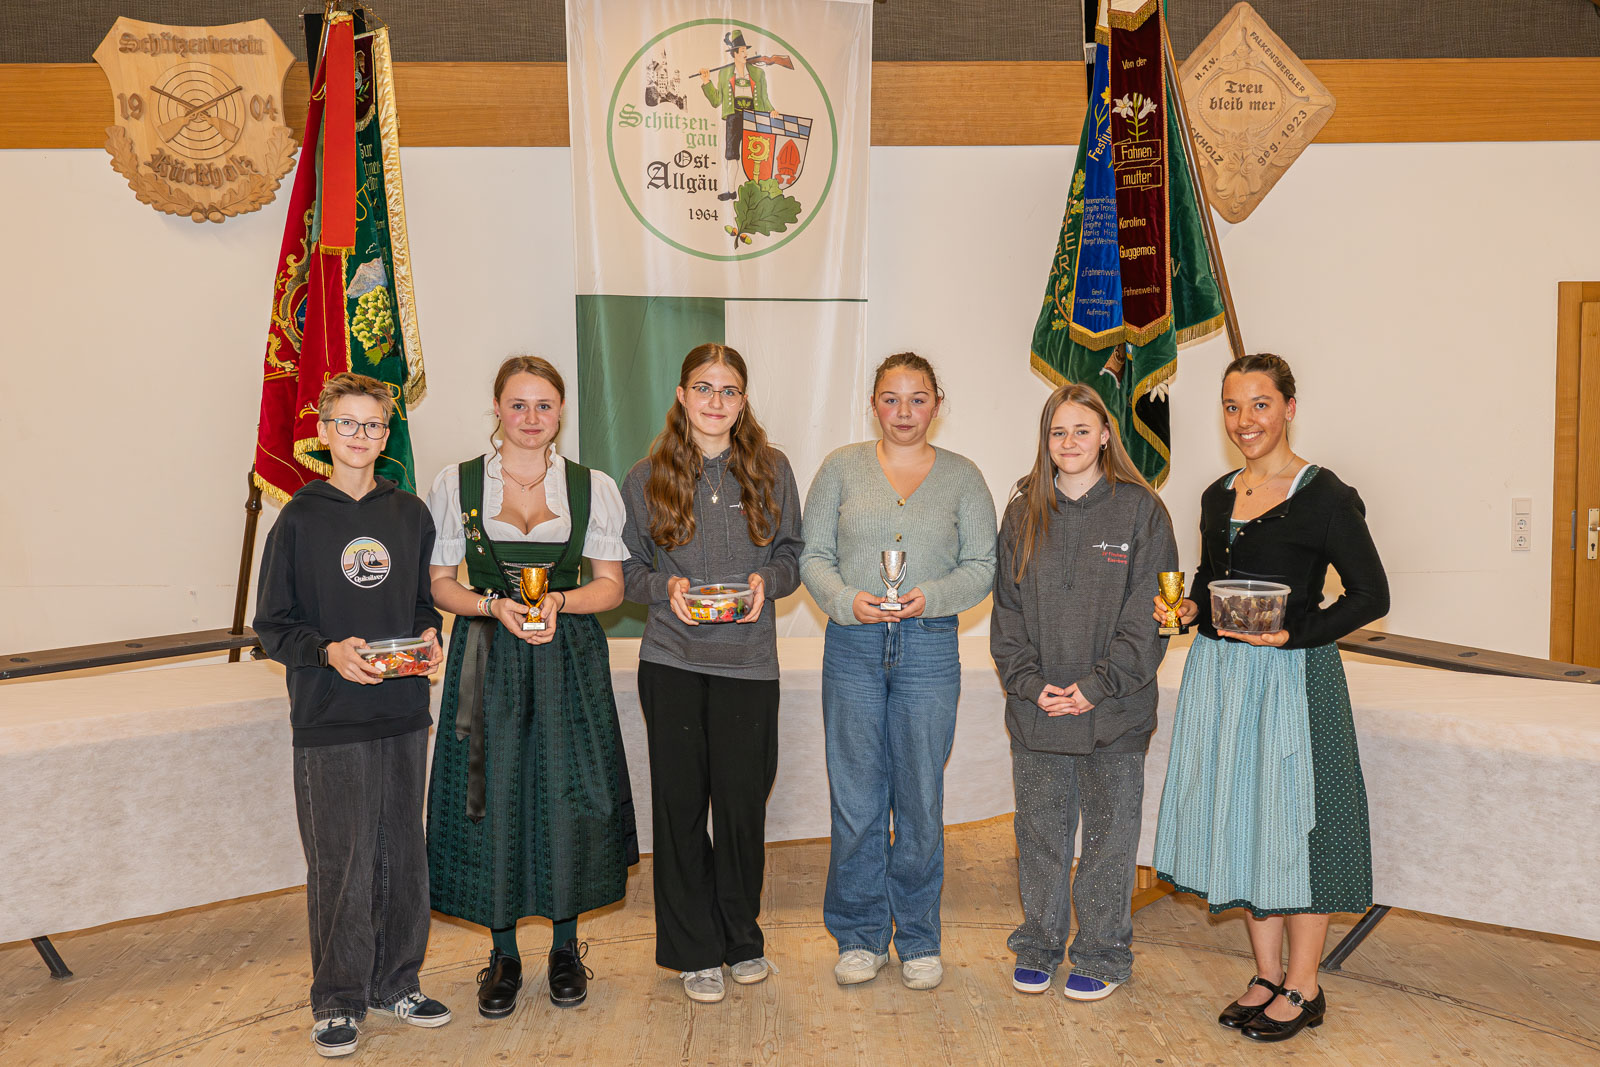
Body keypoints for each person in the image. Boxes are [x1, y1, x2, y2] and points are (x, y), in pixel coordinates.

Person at [1151, 353, 1389, 1043]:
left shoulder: (1325, 496)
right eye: (1232, 406)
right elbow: (1207, 581)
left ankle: (1304, 984)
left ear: (1289, 405)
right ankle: (1263, 973)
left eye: (1259, 404)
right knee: (1244, 818)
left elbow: (1372, 594)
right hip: (1222, 677)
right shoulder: (1216, 494)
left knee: (1295, 825)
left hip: (1294, 678)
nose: (1245, 420)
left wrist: (1298, 634)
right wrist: (1188, 612)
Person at [424, 355, 638, 1019]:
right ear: (496, 409)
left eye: (544, 405)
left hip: (566, 652)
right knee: (489, 793)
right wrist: (494, 607)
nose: (531, 418)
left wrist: (558, 605)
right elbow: (439, 583)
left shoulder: (590, 484)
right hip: (486, 651)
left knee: (566, 791)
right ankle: (505, 952)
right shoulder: (456, 483)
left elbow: (612, 584)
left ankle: (567, 949)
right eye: (518, 404)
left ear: (560, 412)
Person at [253, 372, 452, 1058]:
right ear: (324, 431)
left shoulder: (409, 514)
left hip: (402, 712)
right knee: (342, 860)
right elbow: (272, 626)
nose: (361, 436)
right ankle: (336, 1000)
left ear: (387, 434)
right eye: (348, 424)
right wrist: (327, 651)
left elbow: (423, 606)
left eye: (373, 425)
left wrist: (431, 640)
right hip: (330, 716)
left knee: (402, 854)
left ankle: (398, 981)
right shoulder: (299, 518)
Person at [800, 352, 997, 991]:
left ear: (937, 403)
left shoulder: (964, 478)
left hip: (930, 647)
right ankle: (859, 936)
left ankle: (916, 938)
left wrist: (930, 599)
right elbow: (814, 557)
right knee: (856, 800)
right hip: (853, 646)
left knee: (920, 798)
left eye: (917, 398)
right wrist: (843, 601)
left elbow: (982, 565)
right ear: (873, 403)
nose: (904, 412)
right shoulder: (840, 469)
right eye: (891, 398)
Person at [619, 344, 805, 1004]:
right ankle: (694, 949)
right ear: (680, 393)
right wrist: (662, 589)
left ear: (743, 400)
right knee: (678, 808)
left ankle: (741, 938)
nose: (716, 401)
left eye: (729, 390)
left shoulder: (773, 468)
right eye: (704, 388)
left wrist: (768, 579)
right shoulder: (644, 477)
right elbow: (628, 571)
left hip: (749, 665)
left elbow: (791, 556)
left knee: (740, 807)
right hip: (672, 662)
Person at [990, 382, 1178, 1003]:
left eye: (1081, 430)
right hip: (1039, 709)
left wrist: (1097, 688)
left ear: (1105, 435)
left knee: (1108, 838)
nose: (1069, 442)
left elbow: (1148, 618)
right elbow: (1008, 614)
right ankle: (1039, 945)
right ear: (1045, 442)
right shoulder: (1022, 512)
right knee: (1040, 833)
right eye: (1057, 432)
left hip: (1115, 714)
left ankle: (1101, 952)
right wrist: (1029, 685)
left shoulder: (1142, 511)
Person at [699, 30, 773, 201]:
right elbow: (717, 100)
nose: (745, 54)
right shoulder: (725, 73)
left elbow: (764, 97)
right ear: (734, 54)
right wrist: (706, 81)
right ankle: (731, 190)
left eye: (746, 50)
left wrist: (771, 110)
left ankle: (757, 191)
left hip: (753, 116)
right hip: (734, 117)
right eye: (742, 51)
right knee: (731, 154)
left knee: (757, 154)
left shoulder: (758, 73)